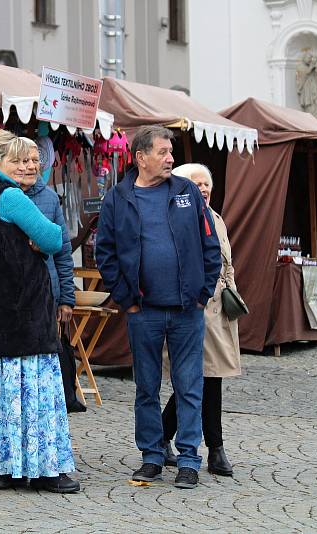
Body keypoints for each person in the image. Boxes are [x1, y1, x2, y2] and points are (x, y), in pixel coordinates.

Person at [95, 125, 221, 490]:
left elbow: (209, 244)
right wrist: (126, 299)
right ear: (141, 158)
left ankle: (188, 460)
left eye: (171, 152)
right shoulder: (117, 198)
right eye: (163, 152)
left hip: (186, 310)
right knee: (146, 387)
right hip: (143, 312)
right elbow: (106, 253)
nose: (171, 159)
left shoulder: (186, 192)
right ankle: (152, 456)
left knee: (189, 386)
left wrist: (203, 291)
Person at [0, 130, 79, 493]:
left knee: (0, 393)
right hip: (23, 312)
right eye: (18, 160)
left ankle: (4, 468)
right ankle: (45, 470)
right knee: (34, 392)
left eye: (30, 160)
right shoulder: (11, 196)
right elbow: (52, 238)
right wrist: (39, 238)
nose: (27, 166)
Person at [161, 163, 241, 477]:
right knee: (201, 380)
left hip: (219, 311)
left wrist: (233, 295)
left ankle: (166, 436)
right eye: (197, 183)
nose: (203, 188)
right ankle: (215, 449)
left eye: (206, 183)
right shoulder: (182, 219)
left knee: (206, 378)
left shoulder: (217, 219)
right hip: (195, 308)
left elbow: (227, 264)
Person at [18, 138, 75, 325]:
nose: (32, 166)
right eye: (25, 160)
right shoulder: (1, 196)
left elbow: (63, 252)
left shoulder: (50, 198)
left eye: (36, 160)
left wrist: (66, 299)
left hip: (47, 296)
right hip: (13, 296)